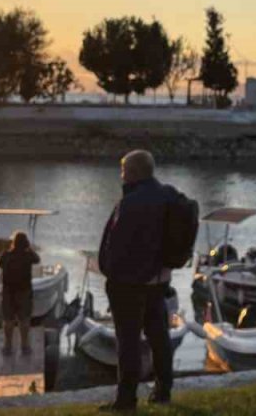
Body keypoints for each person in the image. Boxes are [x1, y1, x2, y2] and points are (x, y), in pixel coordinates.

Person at [97, 149, 193, 412]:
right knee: (158, 336)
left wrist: (110, 273)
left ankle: (126, 399)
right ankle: (163, 391)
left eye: (123, 170)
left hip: (129, 283)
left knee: (128, 342)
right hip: (158, 281)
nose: (121, 175)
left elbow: (117, 245)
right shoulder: (171, 196)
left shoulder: (131, 203)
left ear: (133, 173)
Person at [0, 230, 39, 355]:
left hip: (8, 292)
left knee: (8, 320)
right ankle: (24, 345)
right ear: (26, 243)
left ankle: (7, 345)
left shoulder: (6, 255)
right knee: (24, 320)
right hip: (24, 292)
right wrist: (29, 249)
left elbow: (0, 264)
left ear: (14, 242)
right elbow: (37, 259)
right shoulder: (28, 256)